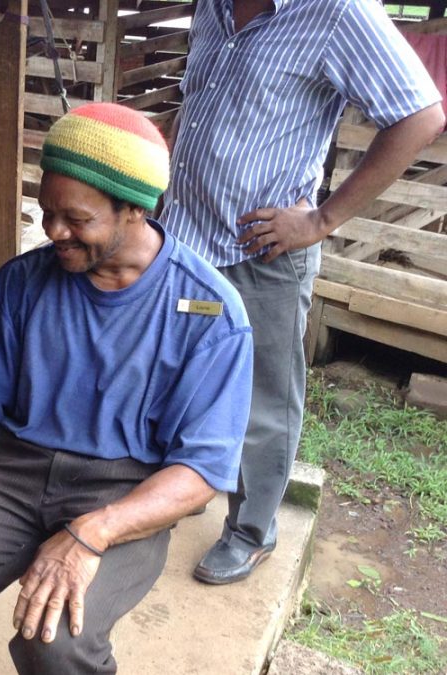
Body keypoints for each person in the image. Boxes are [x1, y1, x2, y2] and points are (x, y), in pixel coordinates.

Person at [0, 103, 254, 675]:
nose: (53, 231)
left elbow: (202, 472)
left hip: (125, 488)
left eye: (76, 219)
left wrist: (92, 533)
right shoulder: (22, 282)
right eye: (47, 211)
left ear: (135, 209)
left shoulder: (211, 314)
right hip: (14, 470)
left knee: (56, 642)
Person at [160, 0, 445, 585]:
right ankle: (183, 489)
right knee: (181, 373)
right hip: (188, 241)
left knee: (263, 401)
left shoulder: (338, 12)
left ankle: (252, 531)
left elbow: (421, 116)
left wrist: (320, 221)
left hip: (263, 254)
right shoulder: (210, 7)